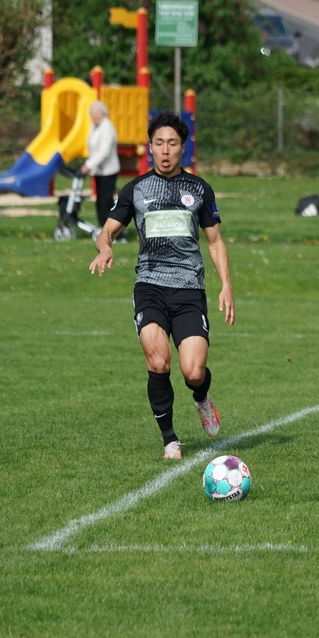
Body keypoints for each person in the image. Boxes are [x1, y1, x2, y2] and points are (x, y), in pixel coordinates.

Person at [89, 111, 235, 460]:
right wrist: (105, 247)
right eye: (159, 143)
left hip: (189, 289)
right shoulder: (136, 190)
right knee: (158, 361)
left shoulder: (199, 189)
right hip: (150, 286)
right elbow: (105, 231)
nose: (165, 150)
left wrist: (226, 286)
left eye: (172, 143)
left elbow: (215, 241)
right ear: (150, 147)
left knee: (193, 371)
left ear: (183, 148)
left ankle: (201, 397)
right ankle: (170, 439)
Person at [81, 100, 121, 229]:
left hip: (108, 171)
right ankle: (103, 228)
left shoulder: (107, 127)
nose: (95, 115)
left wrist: (88, 165)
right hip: (98, 171)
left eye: (97, 113)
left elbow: (104, 151)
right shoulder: (94, 126)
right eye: (93, 113)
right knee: (100, 202)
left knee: (106, 201)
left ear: (103, 113)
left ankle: (114, 230)